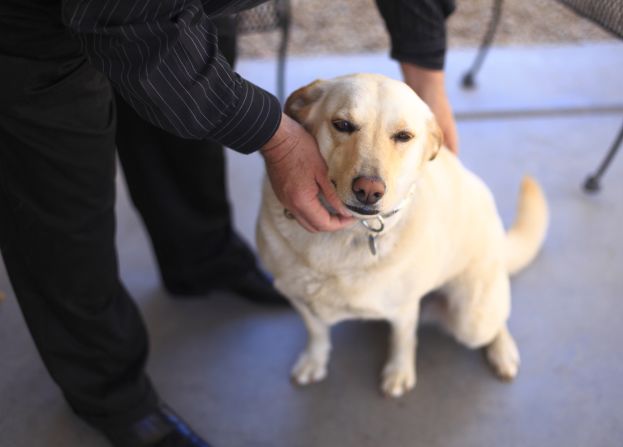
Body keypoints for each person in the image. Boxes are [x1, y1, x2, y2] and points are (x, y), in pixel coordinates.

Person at [0, 0, 457, 446]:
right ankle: (111, 396)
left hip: (179, 11)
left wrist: (426, 73)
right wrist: (274, 137)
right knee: (61, 214)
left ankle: (201, 258)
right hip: (36, 29)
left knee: (186, 129)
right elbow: (120, 16)